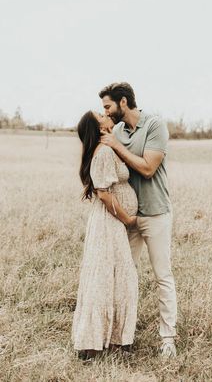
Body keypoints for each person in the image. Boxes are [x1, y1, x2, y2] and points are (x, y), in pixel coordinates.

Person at [99, 82, 177, 358]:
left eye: (107, 106)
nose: (105, 112)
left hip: (156, 213)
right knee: (124, 276)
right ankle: (122, 336)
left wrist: (116, 144)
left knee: (162, 276)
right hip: (128, 218)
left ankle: (168, 339)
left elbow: (147, 168)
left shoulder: (155, 125)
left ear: (123, 103)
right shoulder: (116, 131)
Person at [71, 110, 138, 360]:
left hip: (110, 223)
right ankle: (99, 342)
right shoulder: (105, 152)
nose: (106, 114)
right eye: (101, 115)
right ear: (99, 129)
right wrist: (128, 218)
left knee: (115, 278)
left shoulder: (107, 148)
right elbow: (104, 193)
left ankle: (114, 339)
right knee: (114, 280)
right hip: (109, 223)